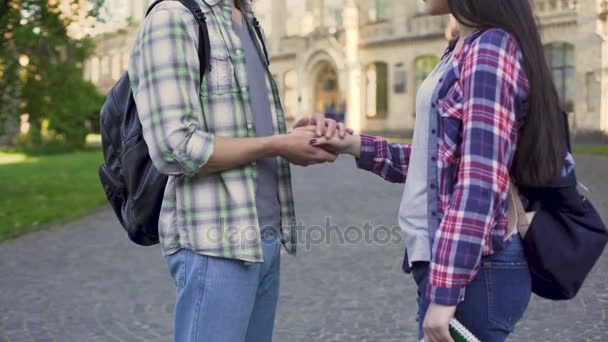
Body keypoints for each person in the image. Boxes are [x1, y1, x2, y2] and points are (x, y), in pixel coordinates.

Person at [298, 0, 568, 341]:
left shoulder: (489, 50)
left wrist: (444, 296)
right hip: (450, 268)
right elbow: (438, 163)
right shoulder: (461, 47)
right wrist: (353, 144)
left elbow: (480, 182)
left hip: (474, 273)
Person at [128, 0, 350, 341]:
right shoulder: (173, 17)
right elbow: (175, 147)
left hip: (266, 236)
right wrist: (276, 145)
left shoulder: (247, 19)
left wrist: (296, 135)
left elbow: (243, 126)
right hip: (213, 245)